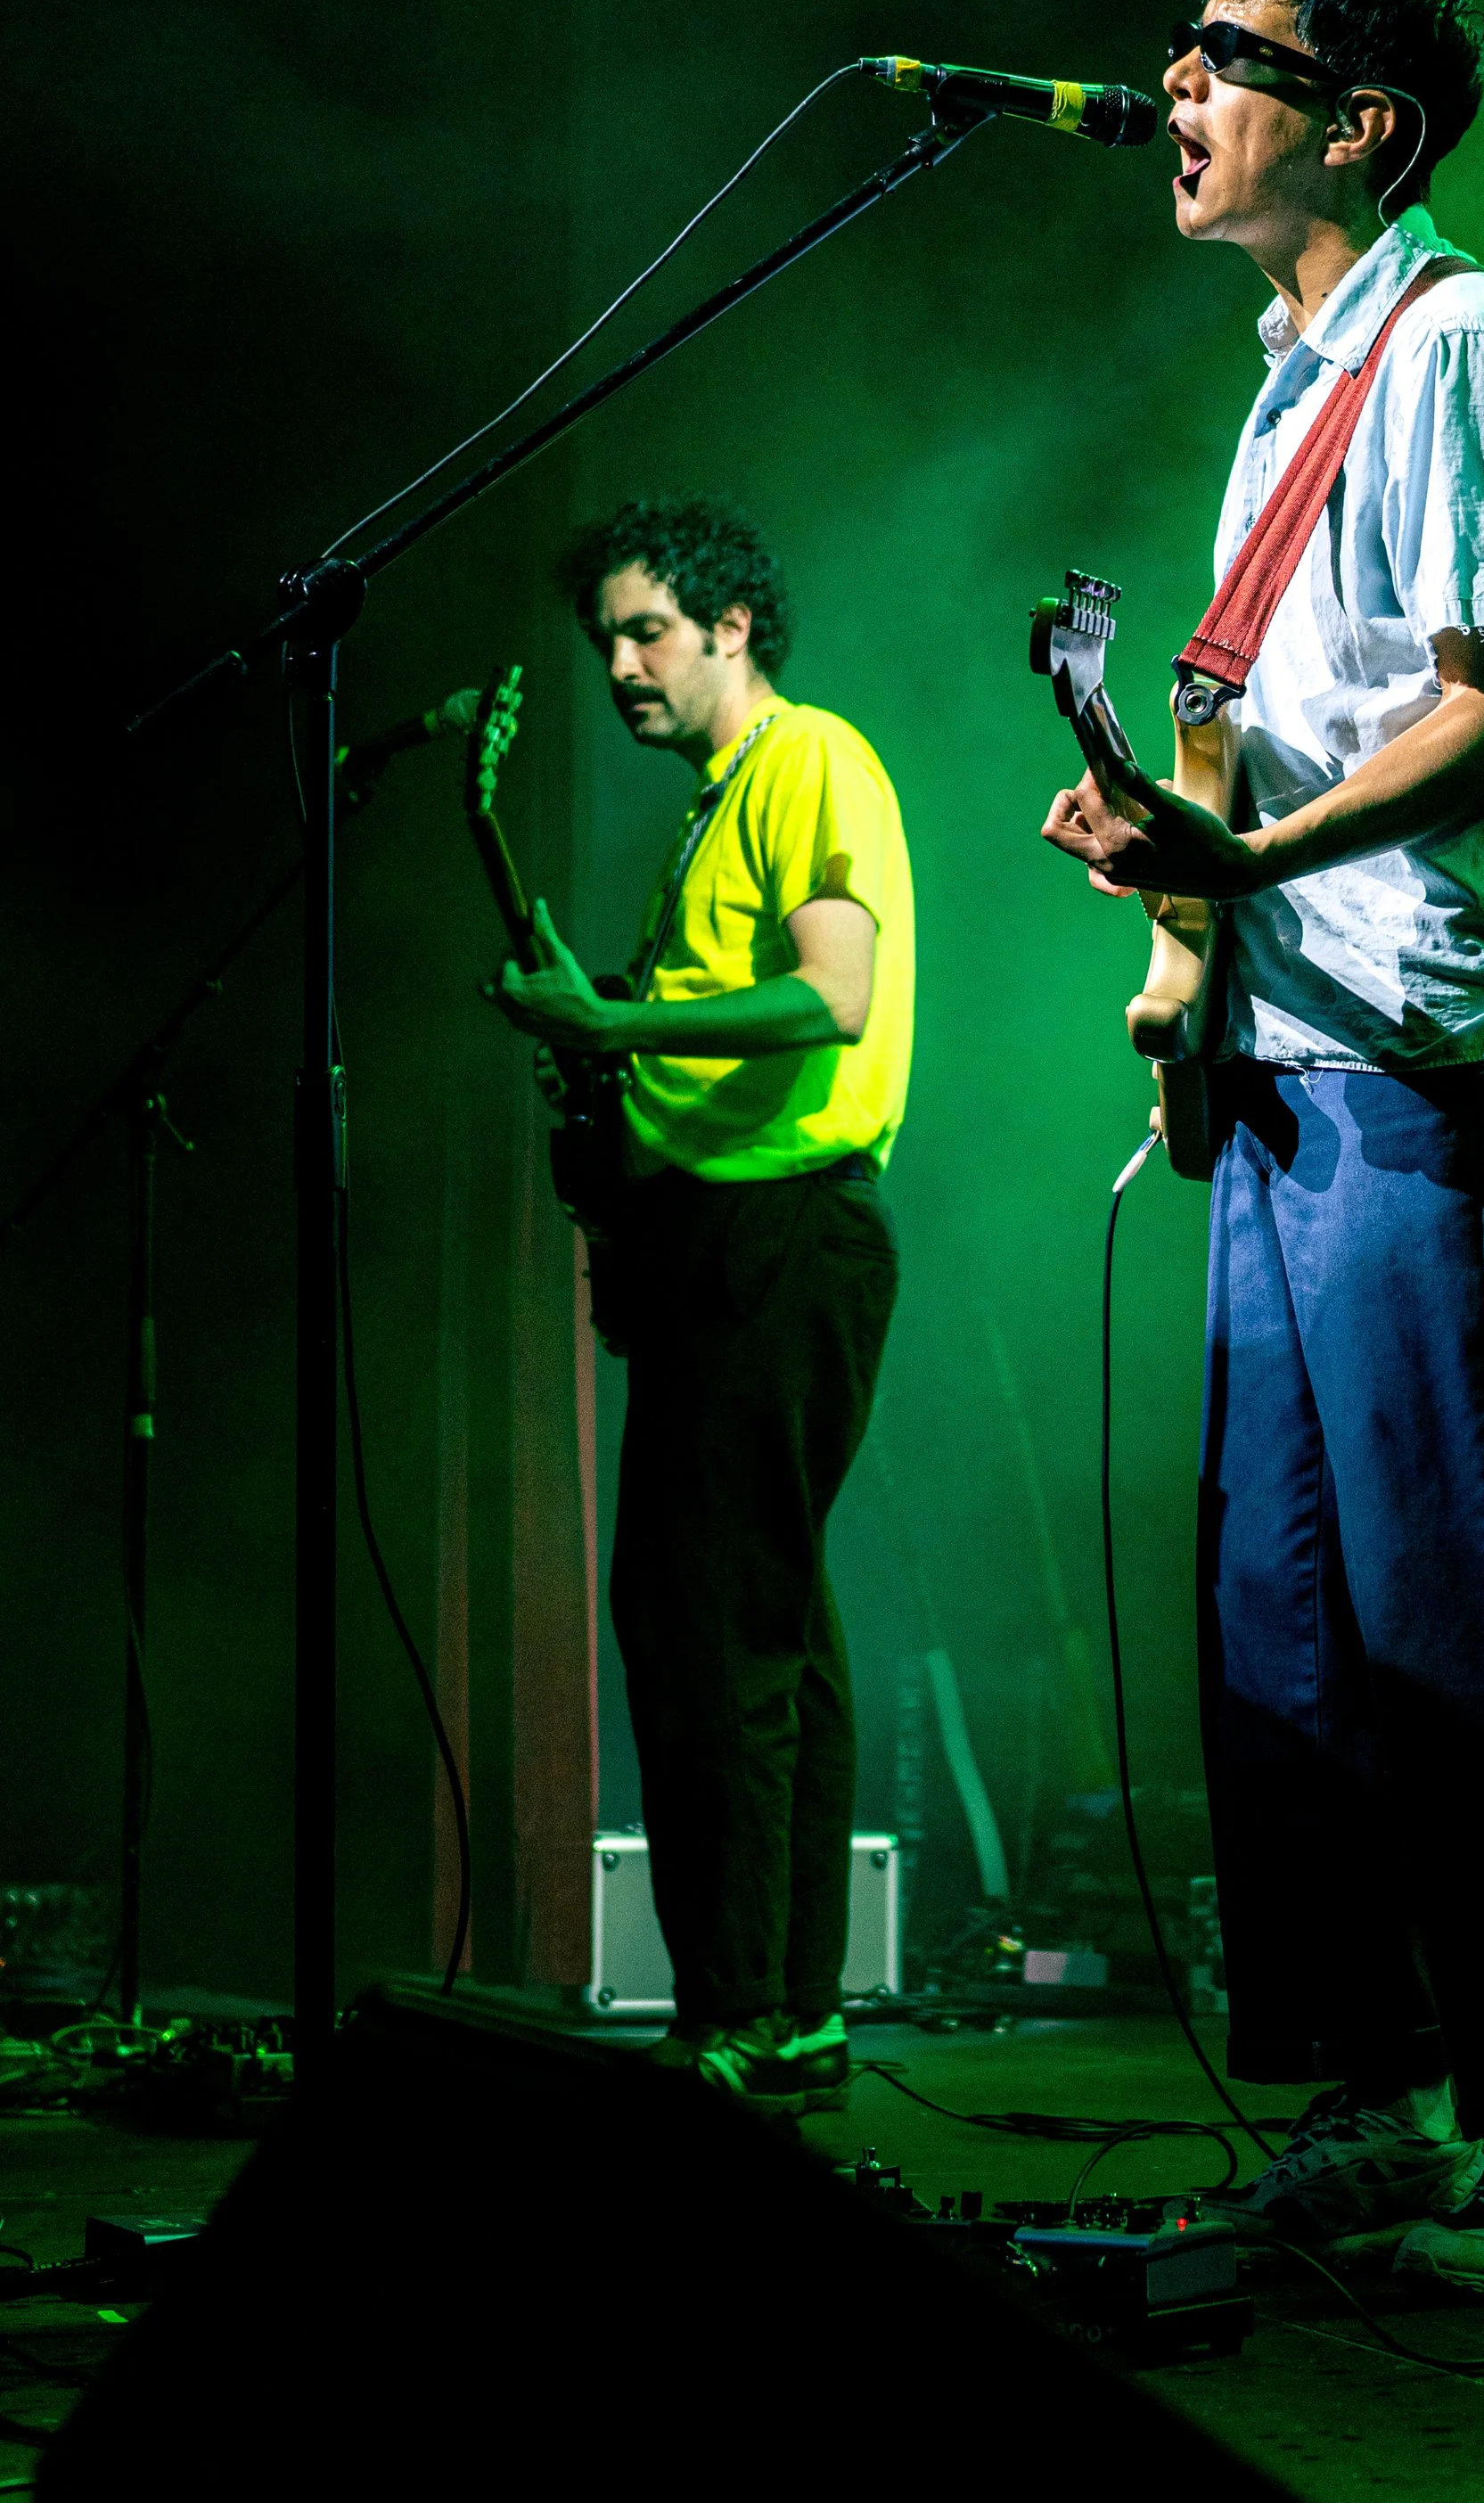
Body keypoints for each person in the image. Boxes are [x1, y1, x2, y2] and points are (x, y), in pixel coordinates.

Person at [1041, 0, 1484, 2295]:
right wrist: (1173, 891)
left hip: (1436, 1054)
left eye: (1221, 54)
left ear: (1364, 125)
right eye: (1175, 40)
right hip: (1296, 1054)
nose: (1169, 86)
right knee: (1284, 1618)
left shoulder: (1470, 346)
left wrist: (1243, 852)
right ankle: (1382, 2089)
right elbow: (1248, 704)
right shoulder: (1277, 375)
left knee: (1442, 1598)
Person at [488, 495, 911, 2113]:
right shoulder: (716, 803)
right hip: (726, 1244)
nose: (619, 663)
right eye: (605, 637)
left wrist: (612, 1034)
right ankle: (781, 2008)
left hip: (783, 1237)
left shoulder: (810, 760)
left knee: (708, 1632)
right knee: (764, 1630)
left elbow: (832, 995)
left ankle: (742, 2011)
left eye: (647, 628)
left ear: (732, 624)